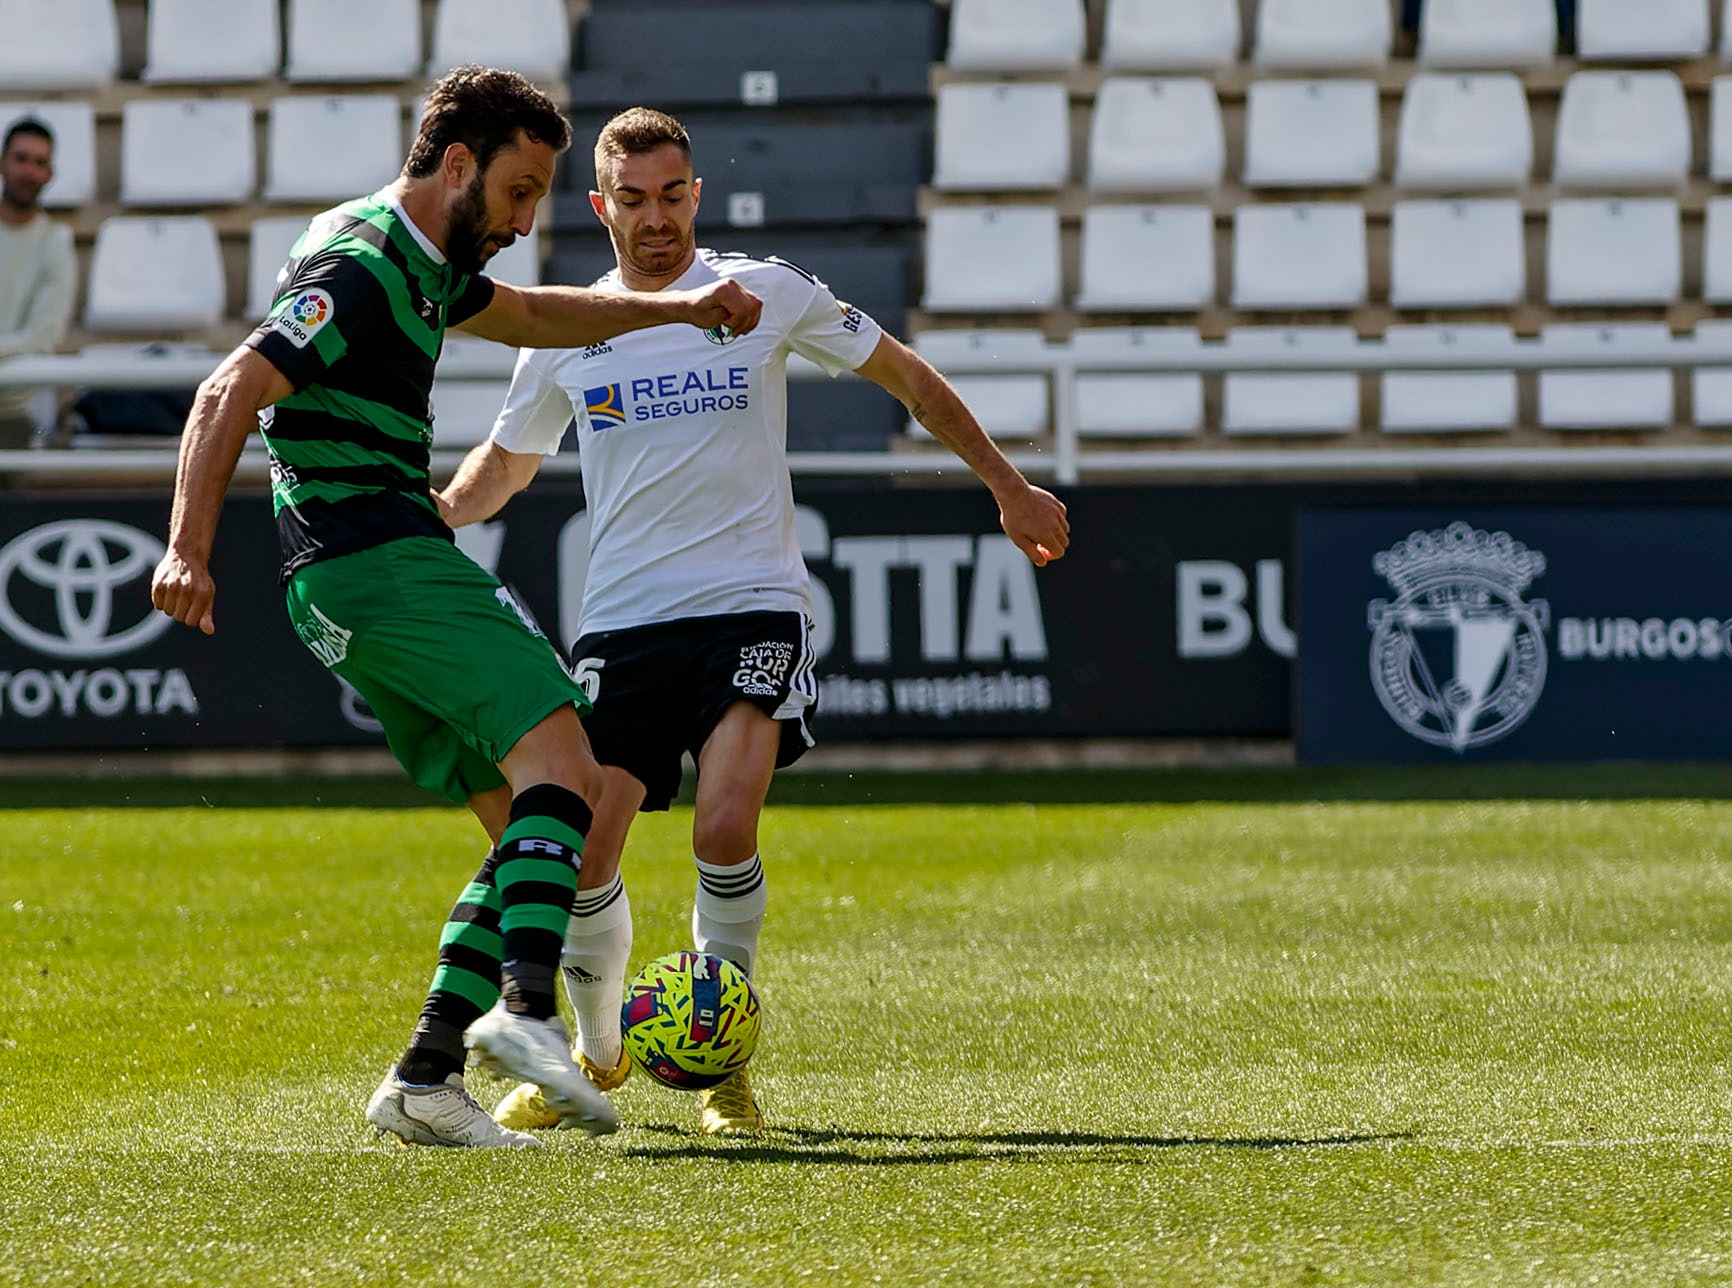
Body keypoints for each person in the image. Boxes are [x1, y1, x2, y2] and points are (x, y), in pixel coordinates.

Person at [149, 69, 762, 1149]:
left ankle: (426, 1077)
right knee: (569, 764)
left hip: (344, 582)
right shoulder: (369, 259)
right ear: (460, 164)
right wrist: (186, 550)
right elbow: (227, 390)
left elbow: (534, 313)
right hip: (378, 557)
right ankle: (525, 1014)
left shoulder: (424, 258)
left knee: (528, 826)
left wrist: (676, 307)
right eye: (521, 193)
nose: (527, 222)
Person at [433, 107, 1070, 1136]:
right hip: (623, 624)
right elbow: (504, 463)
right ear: (601, 206)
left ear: (697, 194)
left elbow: (904, 376)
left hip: (751, 604)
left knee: (725, 825)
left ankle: (722, 1068)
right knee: (587, 852)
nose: (656, 220)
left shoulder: (764, 294)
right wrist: (432, 516)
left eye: (673, 196)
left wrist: (1007, 485)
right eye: (633, 201)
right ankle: (596, 1059)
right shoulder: (565, 326)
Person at [0, 117, 75, 449]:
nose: (28, 171)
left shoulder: (55, 244)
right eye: (20, 159)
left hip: (10, 412)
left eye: (39, 162)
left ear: (50, 174)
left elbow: (44, 337)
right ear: (3, 163)